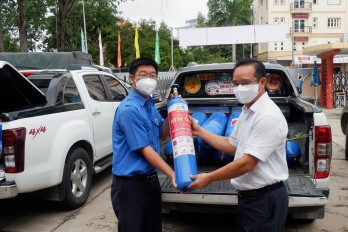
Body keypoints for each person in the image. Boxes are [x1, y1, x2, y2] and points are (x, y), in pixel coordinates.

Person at [188, 58, 289, 232]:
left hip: (264, 199)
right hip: (250, 199)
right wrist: (200, 132)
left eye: (245, 83)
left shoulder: (267, 116)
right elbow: (233, 144)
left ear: (262, 82)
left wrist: (209, 178)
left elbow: (247, 163)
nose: (240, 88)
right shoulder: (248, 111)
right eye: (236, 83)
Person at [111, 57, 176, 232]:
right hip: (130, 186)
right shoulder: (130, 109)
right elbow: (144, 149)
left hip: (150, 182)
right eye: (143, 75)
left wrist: (174, 111)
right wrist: (171, 173)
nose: (149, 79)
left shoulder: (149, 105)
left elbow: (162, 135)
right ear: (131, 79)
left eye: (152, 75)